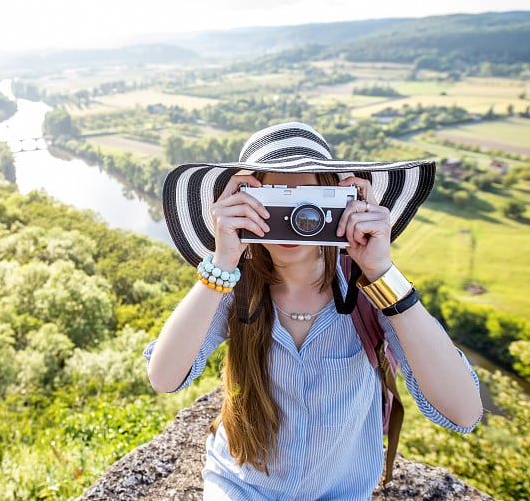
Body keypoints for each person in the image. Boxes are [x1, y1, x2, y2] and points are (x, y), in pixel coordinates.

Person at [145, 121, 482, 500]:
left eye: (308, 199)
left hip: (342, 491)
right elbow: (164, 377)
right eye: (273, 199)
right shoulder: (235, 288)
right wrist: (222, 262)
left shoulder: (369, 292)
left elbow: (464, 412)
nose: (295, 217)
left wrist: (381, 271)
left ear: (341, 201)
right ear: (242, 204)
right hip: (241, 483)